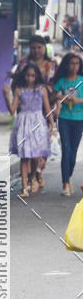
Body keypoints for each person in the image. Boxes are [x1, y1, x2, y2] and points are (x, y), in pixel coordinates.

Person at [3, 34, 57, 186]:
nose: (36, 50)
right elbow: (16, 84)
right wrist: (15, 98)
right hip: (26, 110)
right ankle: (32, 177)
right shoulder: (23, 64)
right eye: (33, 48)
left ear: (44, 48)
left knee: (41, 144)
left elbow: (56, 83)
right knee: (29, 146)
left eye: (39, 47)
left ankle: (38, 171)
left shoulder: (51, 64)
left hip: (46, 109)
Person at [7, 64, 55, 197]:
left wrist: (52, 125)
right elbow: (12, 111)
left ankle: (32, 177)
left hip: (38, 123)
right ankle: (24, 188)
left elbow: (47, 109)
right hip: (23, 123)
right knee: (24, 156)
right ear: (24, 76)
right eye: (27, 75)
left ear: (37, 76)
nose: (30, 78)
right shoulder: (19, 90)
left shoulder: (41, 90)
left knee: (35, 156)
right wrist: (6, 96)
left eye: (33, 75)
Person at [52, 52, 83, 196]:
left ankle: (68, 177)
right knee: (66, 149)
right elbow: (54, 94)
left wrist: (77, 100)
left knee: (73, 152)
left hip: (79, 119)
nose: (74, 66)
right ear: (66, 65)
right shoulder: (62, 81)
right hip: (64, 118)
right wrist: (59, 96)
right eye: (72, 63)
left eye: (77, 63)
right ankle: (65, 183)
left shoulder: (81, 81)